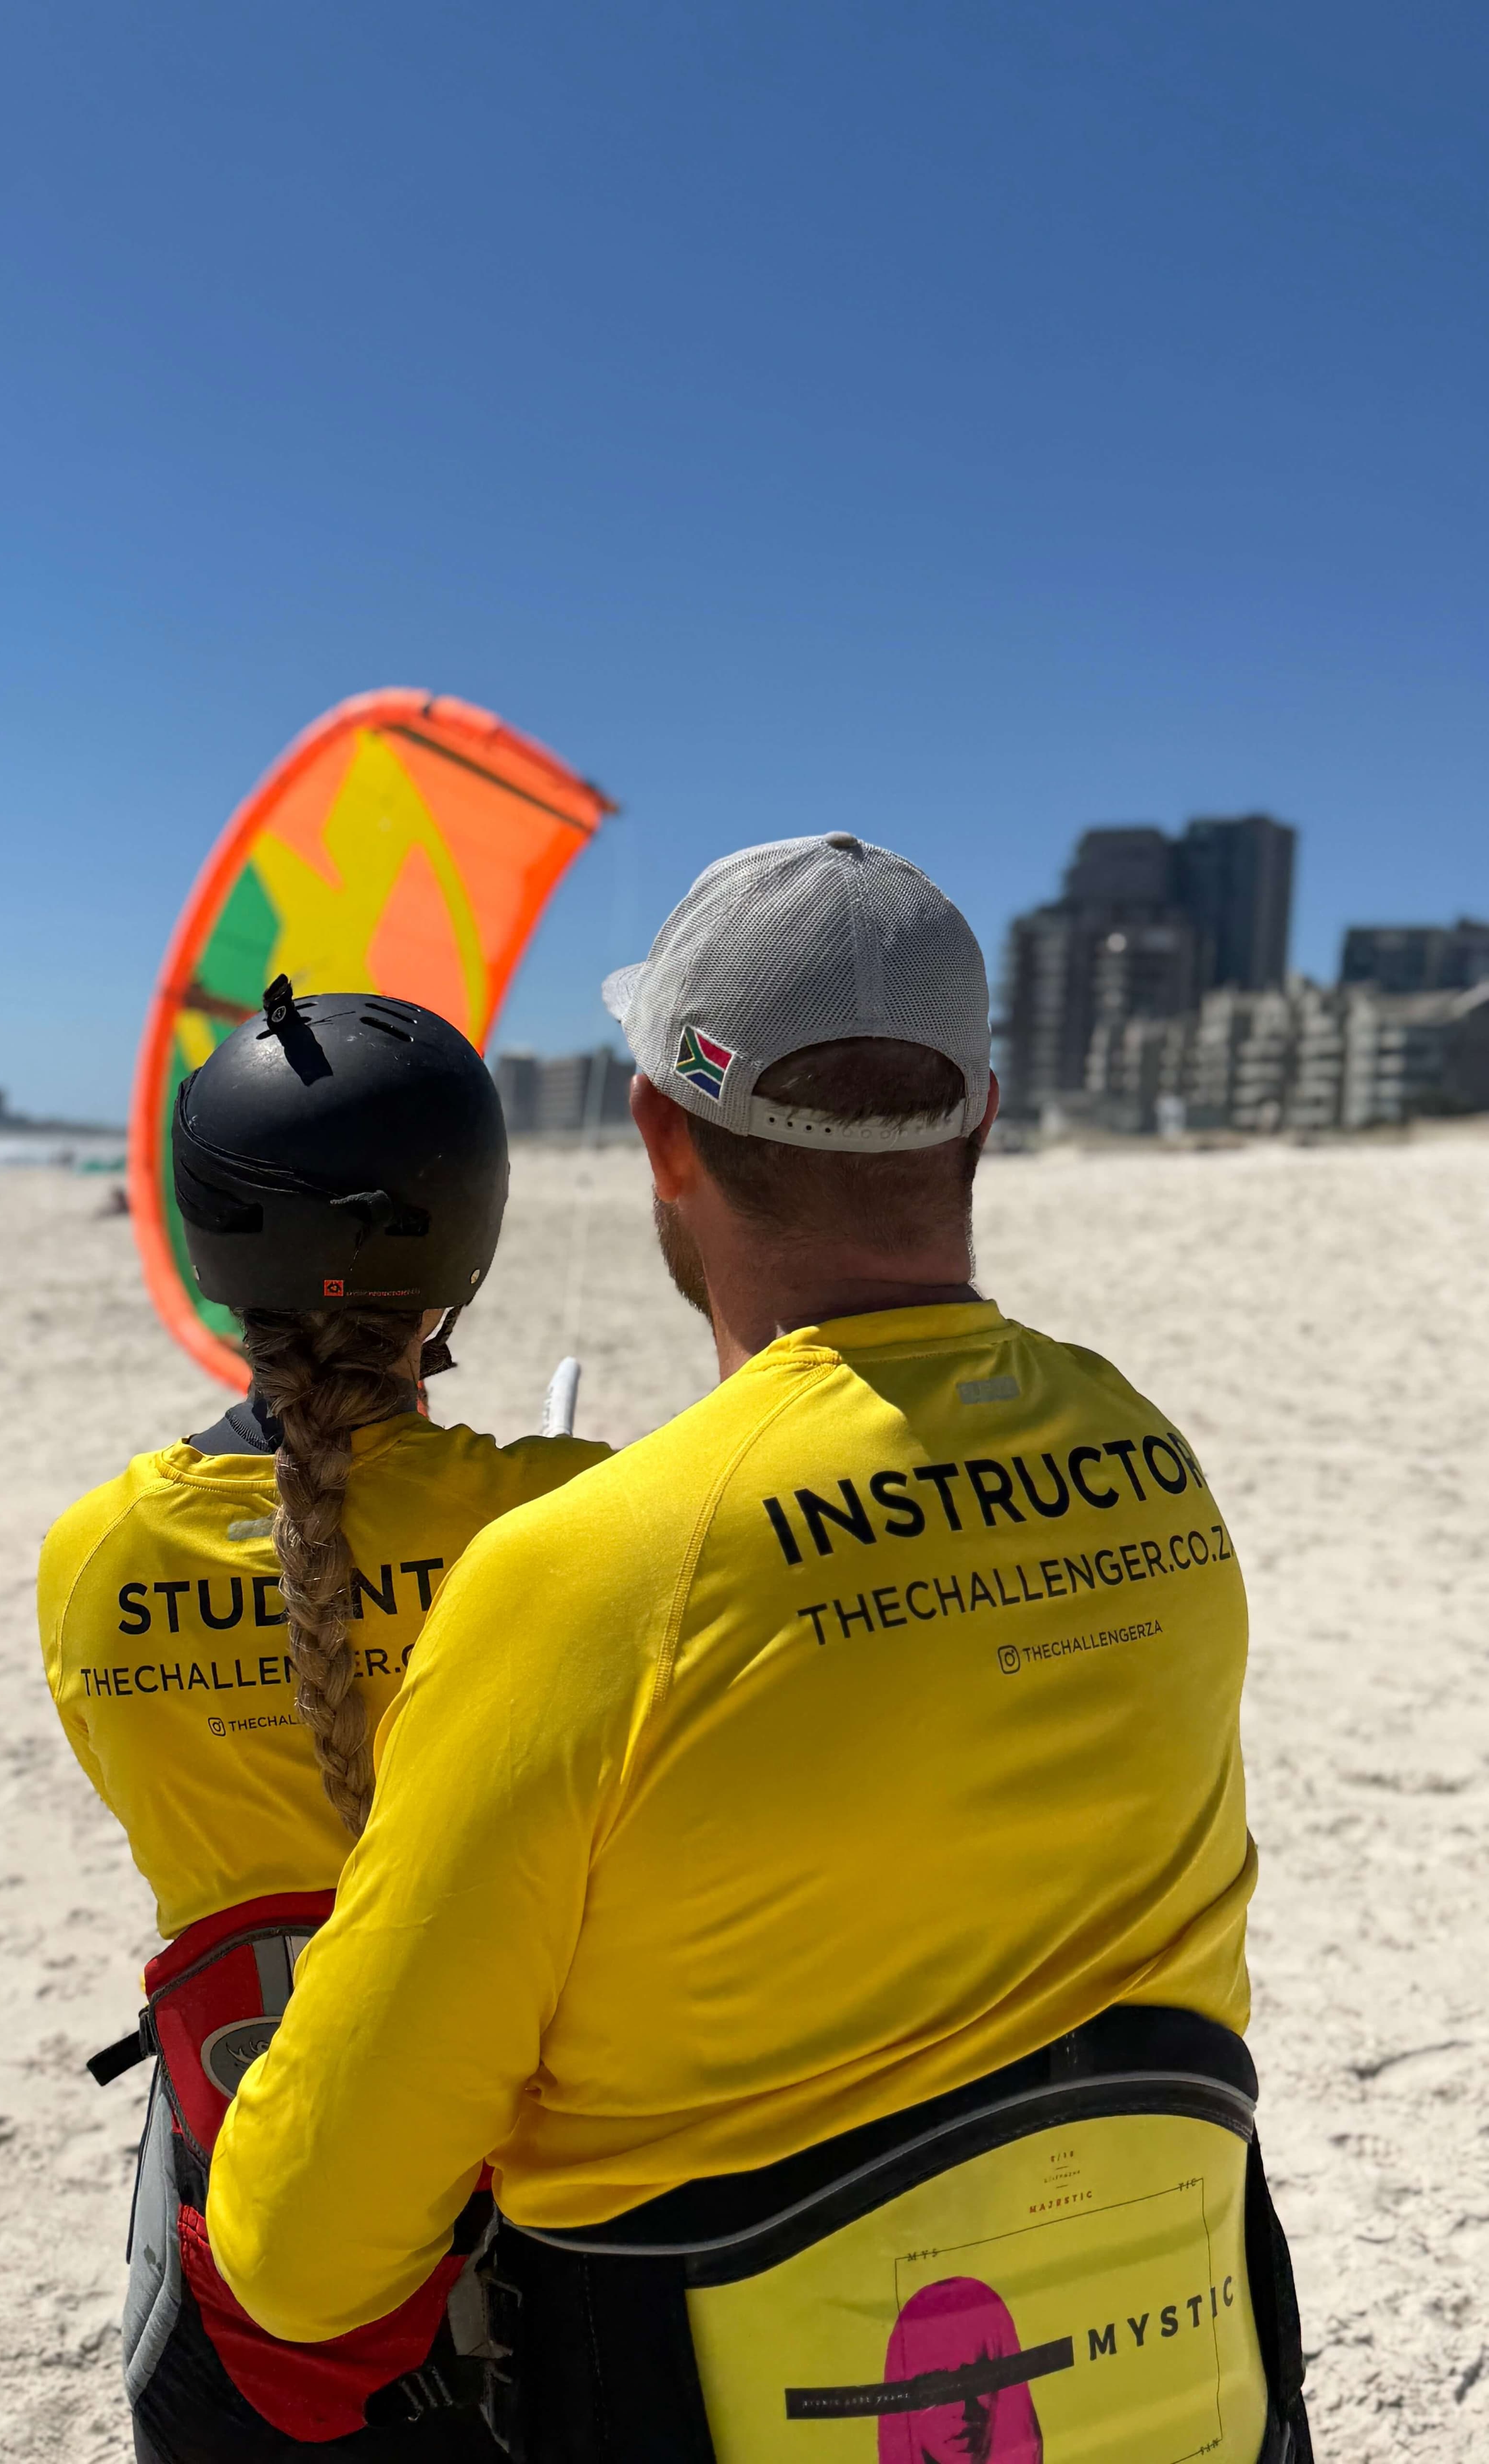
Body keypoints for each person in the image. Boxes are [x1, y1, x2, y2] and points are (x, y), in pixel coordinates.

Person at [203, 841, 1313, 2464]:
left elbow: (305, 2258)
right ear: (980, 1120)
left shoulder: (586, 1582)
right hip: (1193, 2401)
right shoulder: (1150, 1456)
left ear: (663, 1135)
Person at [38, 977, 608, 2463]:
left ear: (215, 1244)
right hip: (533, 2234)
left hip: (240, 2243)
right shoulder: (568, 1510)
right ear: (464, 1241)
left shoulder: (97, 1557)